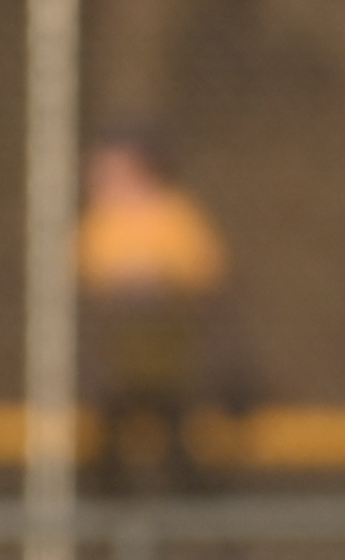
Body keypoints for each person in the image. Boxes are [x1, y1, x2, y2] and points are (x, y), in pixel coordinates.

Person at [74, 130, 236, 486]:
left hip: (175, 365)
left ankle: (195, 508)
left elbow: (203, 274)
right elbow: (90, 278)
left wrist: (154, 278)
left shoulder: (175, 215)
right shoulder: (100, 223)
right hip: (113, 369)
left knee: (187, 442)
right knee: (105, 448)